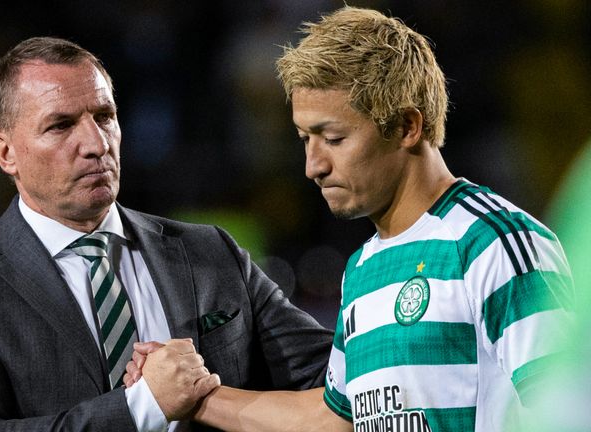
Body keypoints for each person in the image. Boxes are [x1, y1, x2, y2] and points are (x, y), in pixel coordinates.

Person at [126, 6, 575, 432]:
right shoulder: (363, 267)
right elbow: (335, 420)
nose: (313, 166)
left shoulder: (494, 242)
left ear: (406, 127)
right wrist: (194, 396)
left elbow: (568, 410)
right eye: (305, 139)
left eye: (333, 138)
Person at [0, 36, 334, 431]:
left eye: (104, 116)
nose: (96, 143)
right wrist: (144, 405)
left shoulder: (209, 252)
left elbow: (334, 376)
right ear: (6, 153)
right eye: (60, 125)